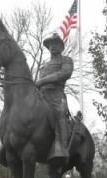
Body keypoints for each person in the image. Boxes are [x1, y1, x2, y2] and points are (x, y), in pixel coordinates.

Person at [36, 33, 74, 164]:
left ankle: (63, 150)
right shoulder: (44, 67)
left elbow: (65, 73)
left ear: (61, 47)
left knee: (60, 114)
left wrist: (42, 81)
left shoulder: (66, 60)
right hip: (42, 96)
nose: (53, 47)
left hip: (56, 95)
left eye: (56, 44)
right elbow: (38, 85)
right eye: (50, 45)